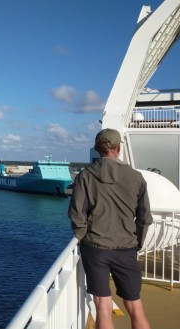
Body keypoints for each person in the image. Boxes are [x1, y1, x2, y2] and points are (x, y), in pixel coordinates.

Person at [68, 128, 153, 329]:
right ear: (118, 147)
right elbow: (144, 217)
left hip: (95, 248)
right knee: (134, 305)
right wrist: (136, 243)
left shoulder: (85, 176)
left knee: (103, 306)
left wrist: (82, 237)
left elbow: (76, 213)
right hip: (126, 248)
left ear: (98, 149)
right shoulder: (136, 177)